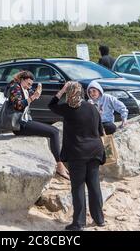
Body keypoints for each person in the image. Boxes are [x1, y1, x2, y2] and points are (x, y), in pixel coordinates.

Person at [48, 81, 106, 231]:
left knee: (78, 187)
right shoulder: (92, 108)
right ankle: (99, 219)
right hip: (95, 151)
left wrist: (62, 90)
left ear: (69, 93)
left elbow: (51, 105)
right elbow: (100, 130)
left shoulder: (68, 109)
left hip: (77, 153)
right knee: (94, 186)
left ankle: (79, 223)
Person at [8, 71, 70, 180]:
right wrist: (33, 97)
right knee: (54, 132)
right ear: (21, 80)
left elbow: (34, 94)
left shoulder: (25, 88)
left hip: (25, 121)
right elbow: (18, 105)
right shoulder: (14, 87)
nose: (29, 86)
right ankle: (59, 164)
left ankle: (60, 163)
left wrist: (37, 92)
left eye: (31, 84)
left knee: (54, 130)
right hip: (19, 125)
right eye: (28, 84)